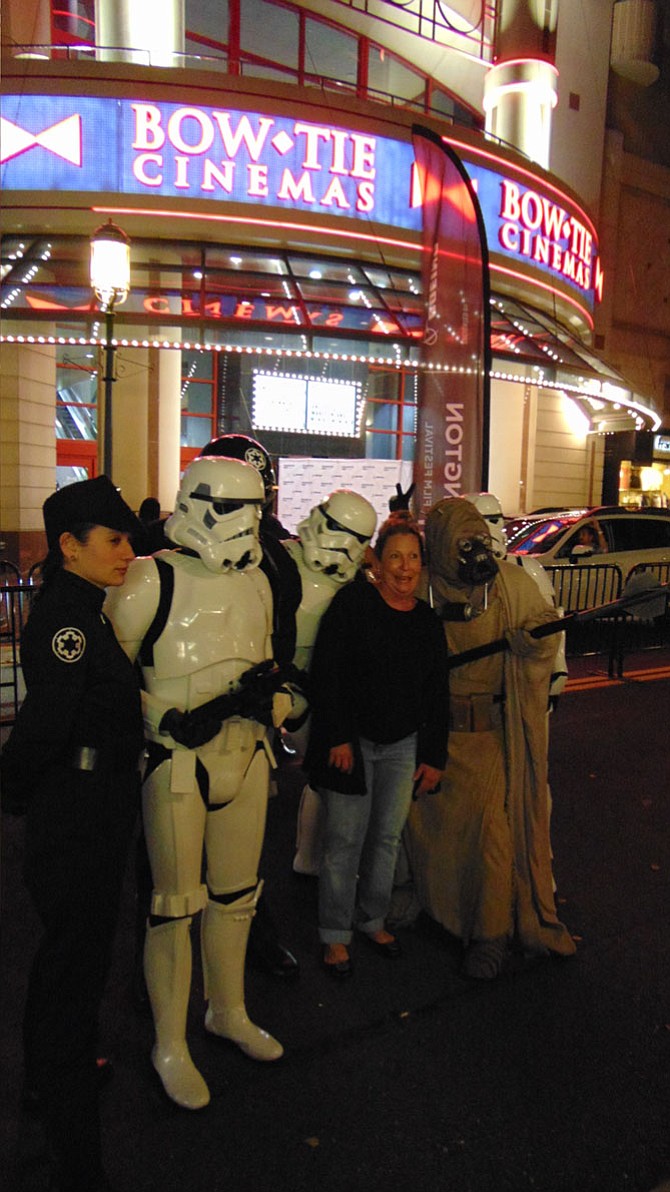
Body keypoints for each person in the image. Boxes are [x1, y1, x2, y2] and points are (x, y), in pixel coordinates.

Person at [104, 456, 292, 1111]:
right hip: (176, 763)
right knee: (175, 905)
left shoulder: (261, 582)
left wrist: (278, 702)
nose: (249, 523)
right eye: (234, 507)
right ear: (198, 505)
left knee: (237, 895)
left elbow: (269, 666)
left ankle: (227, 1009)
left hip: (247, 752)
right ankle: (169, 1042)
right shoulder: (147, 582)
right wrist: (160, 717)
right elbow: (107, 684)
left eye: (256, 508)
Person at [0, 475, 145, 1192]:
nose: (127, 553)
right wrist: (16, 793)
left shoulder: (83, 609)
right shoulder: (68, 620)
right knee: (73, 973)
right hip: (79, 818)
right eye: (113, 541)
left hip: (88, 808)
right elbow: (44, 727)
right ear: (69, 546)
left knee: (65, 964)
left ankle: (46, 1082)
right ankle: (72, 1150)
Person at [402, 498, 576, 979]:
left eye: (480, 541)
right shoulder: (416, 588)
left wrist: (534, 645)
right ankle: (432, 910)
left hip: (491, 740)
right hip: (433, 741)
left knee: (493, 842)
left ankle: (490, 933)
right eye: (463, 545)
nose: (474, 554)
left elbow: (544, 632)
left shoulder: (510, 586)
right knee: (429, 838)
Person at [305, 516, 449, 977]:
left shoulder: (427, 622)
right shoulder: (353, 605)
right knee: (344, 841)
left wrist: (433, 756)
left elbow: (435, 694)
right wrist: (338, 737)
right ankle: (334, 934)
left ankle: (372, 918)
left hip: (402, 745)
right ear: (377, 561)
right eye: (395, 558)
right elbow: (328, 675)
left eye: (413, 559)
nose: (405, 568)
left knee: (385, 840)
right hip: (353, 744)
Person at [283, 489, 378, 876]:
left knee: (325, 780)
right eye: (338, 530)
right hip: (269, 682)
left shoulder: (358, 587)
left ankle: (311, 857)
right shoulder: (280, 561)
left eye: (356, 538)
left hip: (319, 690)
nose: (344, 546)